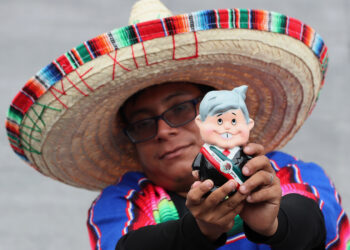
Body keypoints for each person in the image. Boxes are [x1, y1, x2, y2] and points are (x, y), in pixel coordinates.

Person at [5, 0, 349, 249]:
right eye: (142, 124)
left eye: (182, 108)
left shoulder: (284, 173)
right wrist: (199, 231)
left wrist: (273, 224)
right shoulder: (124, 202)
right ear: (133, 144)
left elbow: (318, 222)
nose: (163, 130)